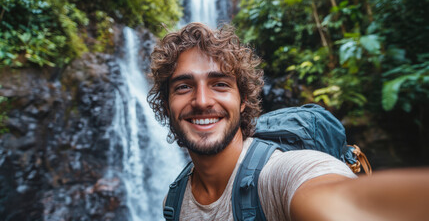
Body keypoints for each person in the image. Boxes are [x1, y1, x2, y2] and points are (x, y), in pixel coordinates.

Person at [147, 22, 429, 221]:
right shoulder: (174, 202)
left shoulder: (280, 175)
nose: (202, 100)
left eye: (220, 84)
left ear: (243, 100)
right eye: (183, 86)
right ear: (166, 104)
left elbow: (345, 200)